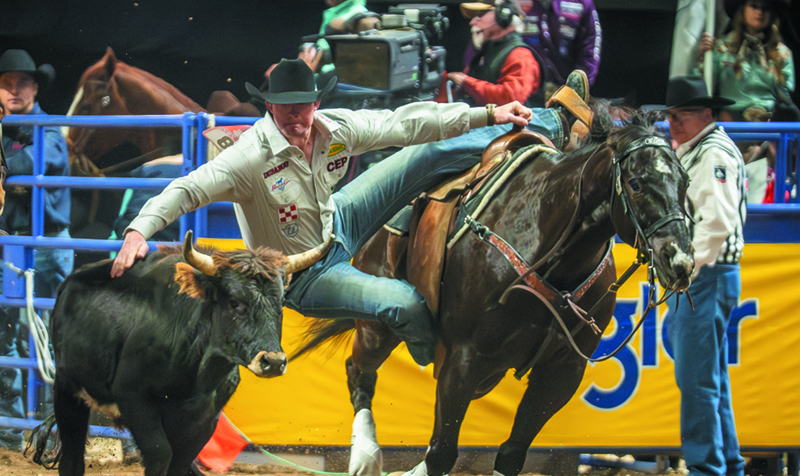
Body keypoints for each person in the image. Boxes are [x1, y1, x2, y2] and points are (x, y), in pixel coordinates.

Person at [110, 58, 594, 370]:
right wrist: (138, 230)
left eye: (302, 106)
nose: (295, 116)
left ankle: (557, 119)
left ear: (316, 102)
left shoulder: (333, 127)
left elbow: (405, 122)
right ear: (269, 107)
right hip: (302, 273)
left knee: (424, 151)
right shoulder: (248, 158)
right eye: (284, 108)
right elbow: (189, 188)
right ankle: (440, 361)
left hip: (339, 220)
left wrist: (488, 114)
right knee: (404, 304)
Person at [660, 76, 748, 476]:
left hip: (705, 275)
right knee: (709, 374)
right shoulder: (702, 149)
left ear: (707, 115)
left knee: (696, 377)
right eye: (671, 116)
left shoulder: (712, 153)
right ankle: (726, 462)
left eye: (682, 116)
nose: (674, 124)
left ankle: (705, 468)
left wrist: (687, 268)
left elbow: (716, 222)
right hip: (709, 274)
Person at [0, 49, 73, 450]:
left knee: (52, 334)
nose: (14, 89)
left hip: (46, 243)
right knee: (8, 333)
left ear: (35, 88)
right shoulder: (13, 130)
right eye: (7, 83)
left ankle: (54, 426)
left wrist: (10, 167)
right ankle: (10, 428)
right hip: (12, 243)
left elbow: (30, 164)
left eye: (22, 82)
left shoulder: (49, 130)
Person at [698, 0, 795, 122]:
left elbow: (786, 95)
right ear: (742, 10)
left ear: (772, 14)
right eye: (754, 6)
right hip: (729, 121)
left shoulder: (782, 53)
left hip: (768, 122)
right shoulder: (721, 48)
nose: (760, 12)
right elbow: (705, 86)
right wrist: (703, 57)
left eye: (765, 8)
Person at [445, 0, 544, 107]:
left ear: (503, 17)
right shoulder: (488, 51)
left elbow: (512, 99)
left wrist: (467, 83)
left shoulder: (521, 55)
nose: (472, 22)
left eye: (480, 16)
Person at [520, 0, 602, 94]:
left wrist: (578, 87)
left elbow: (590, 42)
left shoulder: (581, 2)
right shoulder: (512, 2)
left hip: (565, 89)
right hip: (522, 89)